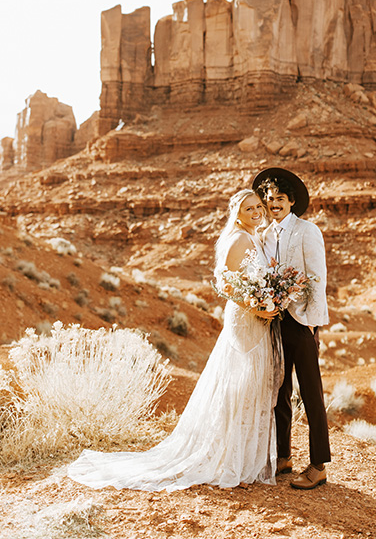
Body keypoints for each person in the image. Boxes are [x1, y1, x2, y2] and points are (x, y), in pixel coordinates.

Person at [67, 189, 279, 492]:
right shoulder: (239, 239)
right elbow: (225, 284)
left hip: (257, 319)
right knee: (238, 386)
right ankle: (231, 465)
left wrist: (267, 301)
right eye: (249, 208)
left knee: (249, 386)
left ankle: (243, 462)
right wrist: (255, 306)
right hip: (245, 319)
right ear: (237, 212)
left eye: (259, 206)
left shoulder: (254, 237)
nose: (257, 211)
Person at [253, 167, 331, 490]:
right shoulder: (265, 235)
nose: (274, 204)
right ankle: (283, 456)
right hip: (275, 323)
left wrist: (313, 325)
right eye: (270, 199)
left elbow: (317, 278)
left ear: (291, 201)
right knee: (280, 391)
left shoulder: (307, 231)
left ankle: (318, 465)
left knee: (310, 392)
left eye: (280, 199)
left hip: (301, 323)